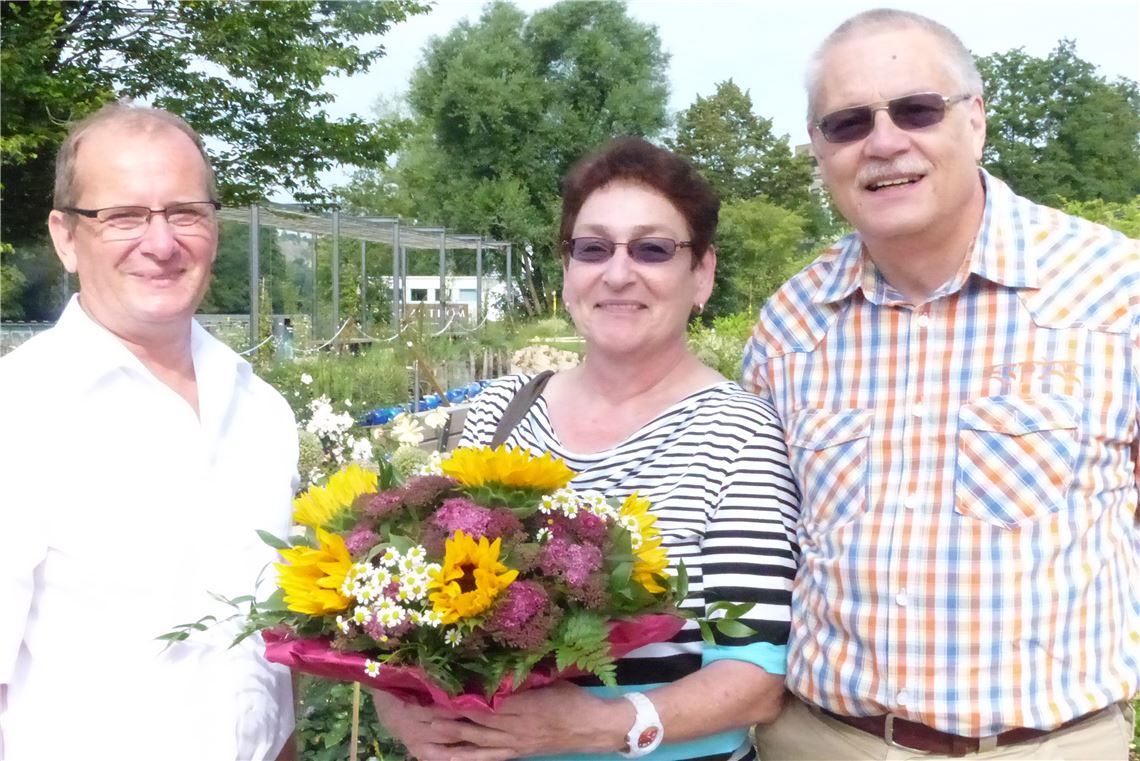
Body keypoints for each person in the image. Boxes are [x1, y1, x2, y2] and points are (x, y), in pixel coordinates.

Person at [744, 9, 1139, 760]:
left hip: (1041, 745)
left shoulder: (1116, 293)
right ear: (819, 149)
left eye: (917, 109)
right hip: (821, 740)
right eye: (848, 122)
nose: (884, 142)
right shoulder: (790, 324)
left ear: (976, 120)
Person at [370, 137, 799, 761]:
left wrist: (593, 727)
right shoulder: (500, 411)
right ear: (568, 270)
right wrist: (404, 716)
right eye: (593, 248)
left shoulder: (737, 433)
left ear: (700, 273)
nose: (617, 272)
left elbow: (755, 682)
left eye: (653, 249)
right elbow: (393, 611)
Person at [0, 104, 296, 760]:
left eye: (184, 212)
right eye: (123, 216)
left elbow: (271, 657)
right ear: (66, 237)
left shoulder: (262, 411)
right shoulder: (18, 413)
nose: (161, 244)